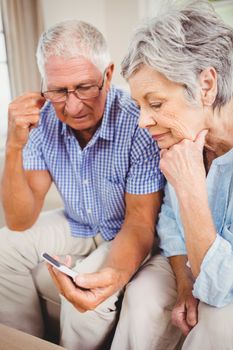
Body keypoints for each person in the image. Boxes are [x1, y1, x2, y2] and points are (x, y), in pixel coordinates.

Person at [0, 20, 164, 350]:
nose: (73, 106)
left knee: (83, 306)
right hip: (78, 221)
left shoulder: (138, 121)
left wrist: (112, 275)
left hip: (127, 228)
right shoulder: (43, 118)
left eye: (85, 87)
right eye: (58, 91)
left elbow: (140, 223)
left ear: (107, 74)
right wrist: (14, 144)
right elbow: (20, 220)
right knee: (4, 245)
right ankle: (26, 343)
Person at [110, 1, 233, 349]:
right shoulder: (184, 138)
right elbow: (170, 226)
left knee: (219, 324)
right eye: (140, 106)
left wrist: (192, 186)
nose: (142, 121)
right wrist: (183, 283)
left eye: (157, 103)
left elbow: (221, 287)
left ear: (206, 85)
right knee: (141, 295)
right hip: (198, 267)